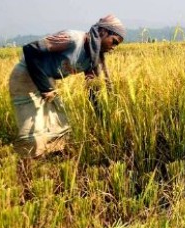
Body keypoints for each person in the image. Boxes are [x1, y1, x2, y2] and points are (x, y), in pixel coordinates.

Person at [8, 14, 126, 157]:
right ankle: (25, 168)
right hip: (25, 77)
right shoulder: (72, 39)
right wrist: (45, 88)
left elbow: (92, 91)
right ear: (103, 32)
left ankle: (46, 165)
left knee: (60, 123)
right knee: (33, 127)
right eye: (114, 41)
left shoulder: (92, 59)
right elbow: (30, 50)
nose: (113, 47)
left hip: (47, 79)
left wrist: (103, 120)